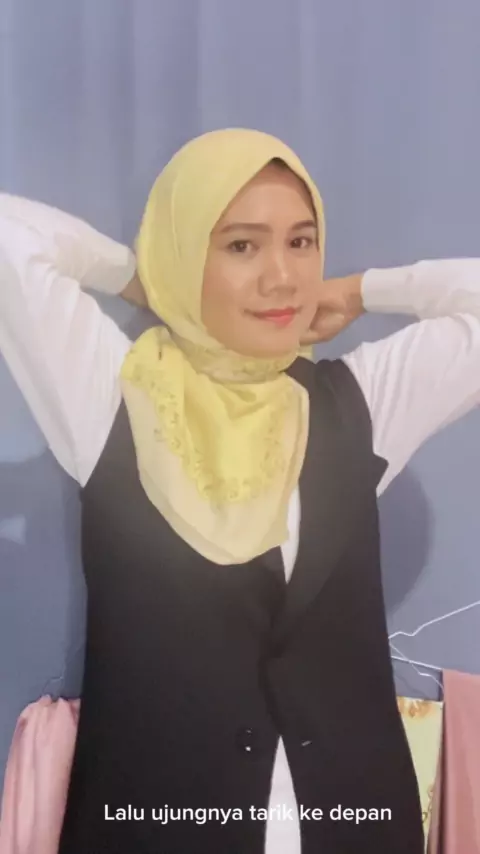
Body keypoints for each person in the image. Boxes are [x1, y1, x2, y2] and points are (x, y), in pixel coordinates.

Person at [0, 128, 479, 854]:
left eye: (302, 242)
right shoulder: (113, 398)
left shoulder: (358, 405)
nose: (282, 278)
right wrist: (143, 275)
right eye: (241, 246)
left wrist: (361, 289)